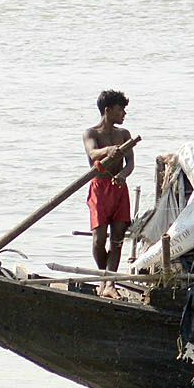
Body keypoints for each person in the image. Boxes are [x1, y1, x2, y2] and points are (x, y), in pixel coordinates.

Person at [83, 90, 135, 293]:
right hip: (100, 188)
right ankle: (104, 278)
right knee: (99, 239)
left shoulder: (124, 135)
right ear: (108, 110)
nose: (124, 114)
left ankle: (109, 283)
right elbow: (92, 152)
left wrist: (123, 174)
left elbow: (130, 163)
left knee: (118, 238)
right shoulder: (91, 133)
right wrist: (108, 150)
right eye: (120, 109)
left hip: (119, 188)